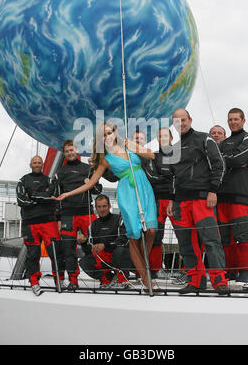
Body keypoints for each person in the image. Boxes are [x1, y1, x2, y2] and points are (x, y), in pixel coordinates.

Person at [53, 122, 158, 293]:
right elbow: (91, 183)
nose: (107, 136)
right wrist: (67, 194)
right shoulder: (105, 160)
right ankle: (146, 279)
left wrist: (133, 145)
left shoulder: (128, 145)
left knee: (151, 231)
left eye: (109, 132)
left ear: (115, 133)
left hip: (144, 187)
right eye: (103, 134)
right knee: (134, 236)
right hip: (127, 192)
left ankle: (141, 262)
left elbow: (152, 156)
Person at [166, 109, 228, 295]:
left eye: (183, 120)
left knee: (211, 240)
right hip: (181, 203)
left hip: (202, 199)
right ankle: (195, 281)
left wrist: (213, 191)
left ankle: (219, 281)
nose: (181, 124)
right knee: (185, 243)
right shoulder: (174, 148)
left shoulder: (204, 138)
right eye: (177, 121)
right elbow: (173, 178)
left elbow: (218, 165)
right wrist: (172, 200)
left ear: (190, 120)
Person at [132, 128, 186, 283]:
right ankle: (154, 270)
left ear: (171, 137)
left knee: (183, 235)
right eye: (159, 136)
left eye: (165, 136)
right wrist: (167, 177)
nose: (162, 138)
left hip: (175, 200)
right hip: (156, 200)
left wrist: (167, 179)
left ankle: (187, 271)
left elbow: (179, 176)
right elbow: (152, 177)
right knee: (155, 236)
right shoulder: (152, 156)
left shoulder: (178, 154)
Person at [216, 108, 248, 284]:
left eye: (236, 119)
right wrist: (231, 161)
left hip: (241, 196)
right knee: (224, 238)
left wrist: (229, 161)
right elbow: (216, 163)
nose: (233, 122)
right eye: (230, 119)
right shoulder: (222, 144)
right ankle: (230, 271)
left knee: (242, 235)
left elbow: (237, 159)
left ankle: (245, 272)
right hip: (221, 197)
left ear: (243, 120)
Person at [53, 140, 101, 291]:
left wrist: (91, 184)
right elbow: (56, 196)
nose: (70, 153)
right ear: (64, 153)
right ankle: (73, 280)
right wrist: (58, 219)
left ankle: (105, 277)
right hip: (68, 215)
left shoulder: (88, 169)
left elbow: (98, 190)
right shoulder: (60, 172)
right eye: (67, 151)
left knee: (97, 244)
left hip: (86, 212)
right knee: (68, 250)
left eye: (72, 150)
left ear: (77, 150)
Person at [16, 155, 63, 296]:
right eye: (34, 162)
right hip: (29, 224)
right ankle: (34, 282)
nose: (37, 164)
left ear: (42, 165)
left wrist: (31, 196)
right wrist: (42, 197)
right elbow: (20, 200)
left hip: (49, 221)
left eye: (39, 162)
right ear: (30, 164)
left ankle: (59, 280)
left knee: (56, 252)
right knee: (33, 255)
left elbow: (52, 196)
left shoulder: (49, 180)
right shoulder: (22, 181)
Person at [78, 194, 131, 288]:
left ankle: (123, 278)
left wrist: (105, 245)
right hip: (103, 258)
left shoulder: (119, 219)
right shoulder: (93, 224)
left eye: (104, 206)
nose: (102, 209)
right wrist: (83, 243)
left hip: (119, 255)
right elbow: (88, 250)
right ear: (96, 208)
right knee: (84, 261)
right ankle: (107, 278)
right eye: (99, 207)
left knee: (120, 250)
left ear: (109, 206)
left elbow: (124, 240)